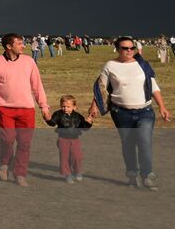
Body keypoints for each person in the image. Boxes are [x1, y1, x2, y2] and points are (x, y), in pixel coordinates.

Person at [88, 35, 169, 190]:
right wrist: (94, 106)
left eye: (132, 48)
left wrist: (162, 107)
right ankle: (132, 175)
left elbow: (154, 87)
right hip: (121, 113)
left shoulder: (142, 64)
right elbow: (101, 88)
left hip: (145, 111)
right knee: (128, 144)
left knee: (144, 141)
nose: (129, 50)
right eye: (125, 48)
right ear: (118, 49)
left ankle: (147, 175)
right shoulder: (110, 65)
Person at [0, 32, 51, 187]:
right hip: (5, 108)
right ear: (9, 46)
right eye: (19, 43)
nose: (23, 46)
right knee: (8, 139)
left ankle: (20, 173)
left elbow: (37, 86)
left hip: (27, 109)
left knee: (25, 143)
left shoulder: (29, 61)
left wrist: (44, 107)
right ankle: (5, 163)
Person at [46, 95, 92, 183]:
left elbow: (84, 127)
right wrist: (48, 119)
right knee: (64, 157)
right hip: (63, 139)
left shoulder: (77, 116)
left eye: (68, 106)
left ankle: (77, 172)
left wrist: (88, 123)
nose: (65, 108)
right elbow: (52, 123)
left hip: (75, 139)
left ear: (74, 107)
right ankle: (67, 174)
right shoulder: (58, 114)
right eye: (63, 106)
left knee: (77, 156)